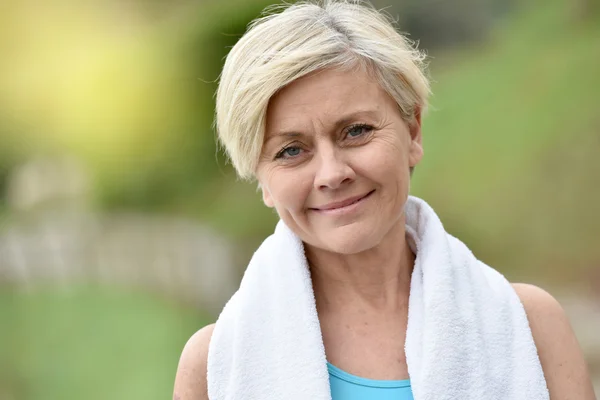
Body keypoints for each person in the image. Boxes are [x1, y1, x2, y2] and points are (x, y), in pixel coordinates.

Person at [173, 1, 596, 399]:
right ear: (262, 179)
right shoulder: (212, 367)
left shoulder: (532, 326)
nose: (332, 173)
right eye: (290, 150)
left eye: (355, 130)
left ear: (412, 132)